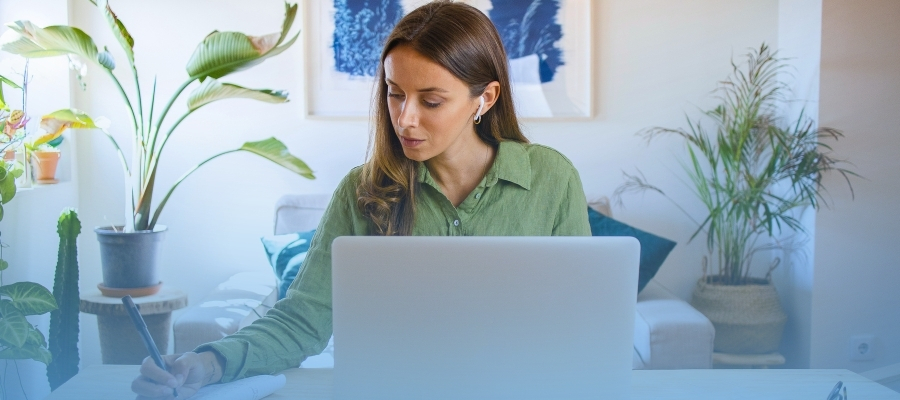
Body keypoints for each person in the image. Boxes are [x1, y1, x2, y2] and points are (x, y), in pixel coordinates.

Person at [132, 1, 590, 398]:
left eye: (431, 101)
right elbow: (303, 319)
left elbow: (582, 319)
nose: (405, 118)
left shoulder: (552, 178)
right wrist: (208, 363)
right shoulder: (362, 191)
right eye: (395, 94)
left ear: (484, 99)